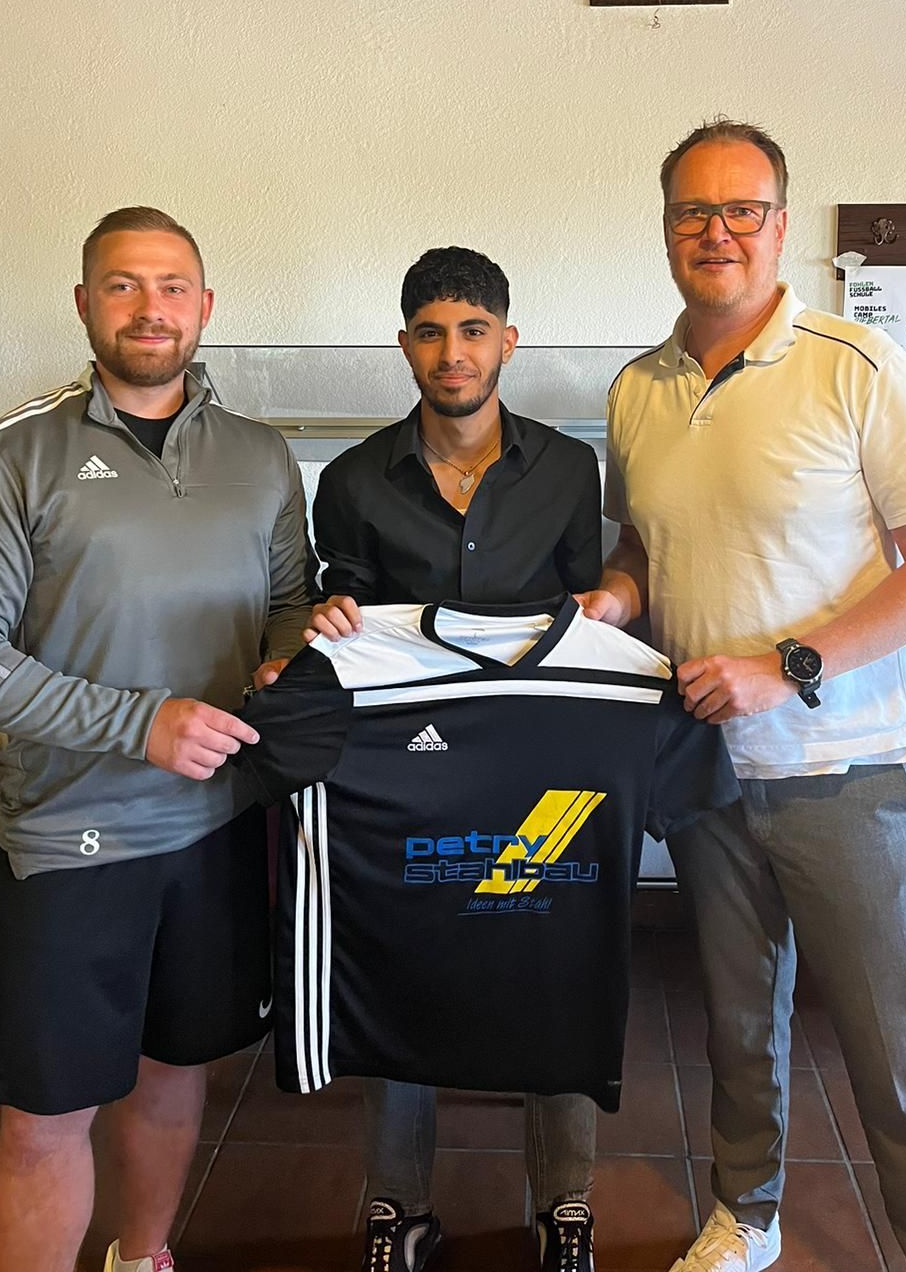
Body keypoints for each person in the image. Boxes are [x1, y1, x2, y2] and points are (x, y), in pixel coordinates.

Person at [579, 121, 906, 1272]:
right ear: (666, 227)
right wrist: (618, 593)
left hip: (848, 771)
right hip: (707, 771)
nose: (717, 231)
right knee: (738, 1023)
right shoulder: (638, 388)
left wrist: (788, 663)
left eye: (741, 210)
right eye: (692, 211)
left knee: (897, 1055)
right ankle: (746, 1213)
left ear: (781, 226)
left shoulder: (857, 363)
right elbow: (646, 541)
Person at [0, 207, 312, 1272]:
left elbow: (286, 602)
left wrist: (285, 658)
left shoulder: (261, 454)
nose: (150, 308)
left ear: (205, 306)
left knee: (176, 1071)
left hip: (219, 827)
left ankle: (142, 1256)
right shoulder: (12, 452)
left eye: (172, 286)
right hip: (72, 840)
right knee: (46, 1118)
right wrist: (138, 721)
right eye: (124, 285)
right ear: (85, 303)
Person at [280, 245, 605, 1272]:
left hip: (544, 766)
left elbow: (588, 611)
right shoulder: (352, 480)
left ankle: (564, 1203)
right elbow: (336, 609)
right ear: (405, 345)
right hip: (407, 772)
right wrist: (325, 616)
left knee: (556, 963)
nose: (452, 352)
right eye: (430, 332)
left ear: (508, 340)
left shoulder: (569, 469)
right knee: (400, 958)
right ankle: (399, 1203)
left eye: (472, 330)